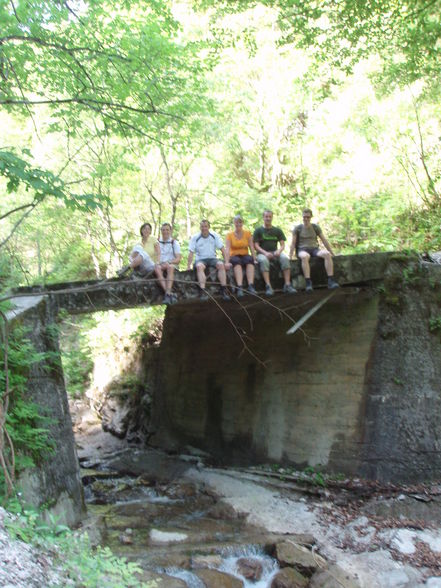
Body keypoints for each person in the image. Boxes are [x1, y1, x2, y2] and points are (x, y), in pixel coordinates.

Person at [289, 208, 339, 292]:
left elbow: (324, 240)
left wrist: (331, 252)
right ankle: (308, 282)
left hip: (314, 249)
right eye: (304, 217)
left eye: (308, 217)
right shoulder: (298, 228)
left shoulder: (315, 227)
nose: (306, 219)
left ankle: (331, 280)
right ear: (302, 217)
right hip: (302, 250)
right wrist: (290, 256)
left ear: (311, 217)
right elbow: (293, 243)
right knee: (305, 257)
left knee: (327, 254)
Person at [253, 209, 297, 296]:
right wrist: (265, 253)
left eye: (270, 217)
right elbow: (256, 246)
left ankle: (287, 284)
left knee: (284, 258)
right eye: (266, 217)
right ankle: (268, 286)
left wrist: (278, 251)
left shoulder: (277, 230)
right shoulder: (258, 230)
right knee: (264, 261)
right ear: (263, 217)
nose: (268, 218)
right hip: (262, 254)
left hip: (275, 252)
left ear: (272, 218)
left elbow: (282, 244)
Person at [187, 219, 231, 301]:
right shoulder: (195, 238)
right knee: (200, 267)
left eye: (206, 226)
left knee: (221, 265)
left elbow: (222, 249)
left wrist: (227, 262)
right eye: (202, 226)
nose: (204, 228)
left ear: (209, 227)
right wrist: (188, 266)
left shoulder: (214, 236)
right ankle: (203, 291)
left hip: (212, 258)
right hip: (200, 259)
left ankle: (224, 289)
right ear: (200, 227)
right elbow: (191, 252)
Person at [156, 222, 182, 305]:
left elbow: (178, 259)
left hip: (171, 264)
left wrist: (169, 262)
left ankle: (167, 293)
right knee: (157, 268)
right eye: (163, 230)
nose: (165, 232)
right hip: (160, 264)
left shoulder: (174, 242)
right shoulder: (157, 242)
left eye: (167, 230)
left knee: (170, 267)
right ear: (161, 231)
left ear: (170, 231)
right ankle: (168, 293)